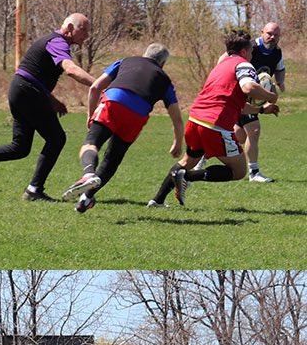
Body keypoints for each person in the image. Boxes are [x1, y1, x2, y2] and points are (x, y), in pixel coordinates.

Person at [0, 14, 93, 201]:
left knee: (20, 148)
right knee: (56, 139)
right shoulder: (58, 42)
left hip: (21, 90)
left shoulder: (52, 41)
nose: (87, 35)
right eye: (84, 30)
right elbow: (71, 70)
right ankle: (34, 190)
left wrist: (52, 100)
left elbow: (34, 73)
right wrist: (99, 84)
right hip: (27, 92)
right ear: (69, 28)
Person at [149, 30, 279, 207]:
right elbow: (248, 87)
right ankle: (186, 177)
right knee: (239, 170)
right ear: (243, 52)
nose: (252, 54)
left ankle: (157, 200)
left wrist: (262, 110)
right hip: (214, 124)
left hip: (195, 119)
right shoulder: (243, 65)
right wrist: (271, 96)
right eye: (250, 51)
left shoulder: (222, 66)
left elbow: (236, 106)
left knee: (187, 161)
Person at [61, 43, 183, 213]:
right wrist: (178, 142)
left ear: (144, 53)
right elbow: (177, 118)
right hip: (138, 115)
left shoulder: (126, 61)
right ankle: (86, 198)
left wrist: (91, 114)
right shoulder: (165, 80)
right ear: (162, 64)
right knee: (112, 159)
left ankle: (88, 174)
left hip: (114, 100)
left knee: (91, 143)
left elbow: (95, 87)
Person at [239, 22, 286, 183]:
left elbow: (280, 69)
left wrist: (280, 82)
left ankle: (254, 173)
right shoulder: (251, 47)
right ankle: (202, 155)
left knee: (246, 133)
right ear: (261, 32)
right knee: (247, 131)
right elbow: (229, 60)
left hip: (254, 97)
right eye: (269, 33)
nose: (272, 37)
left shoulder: (277, 52)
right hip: (239, 95)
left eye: (276, 35)